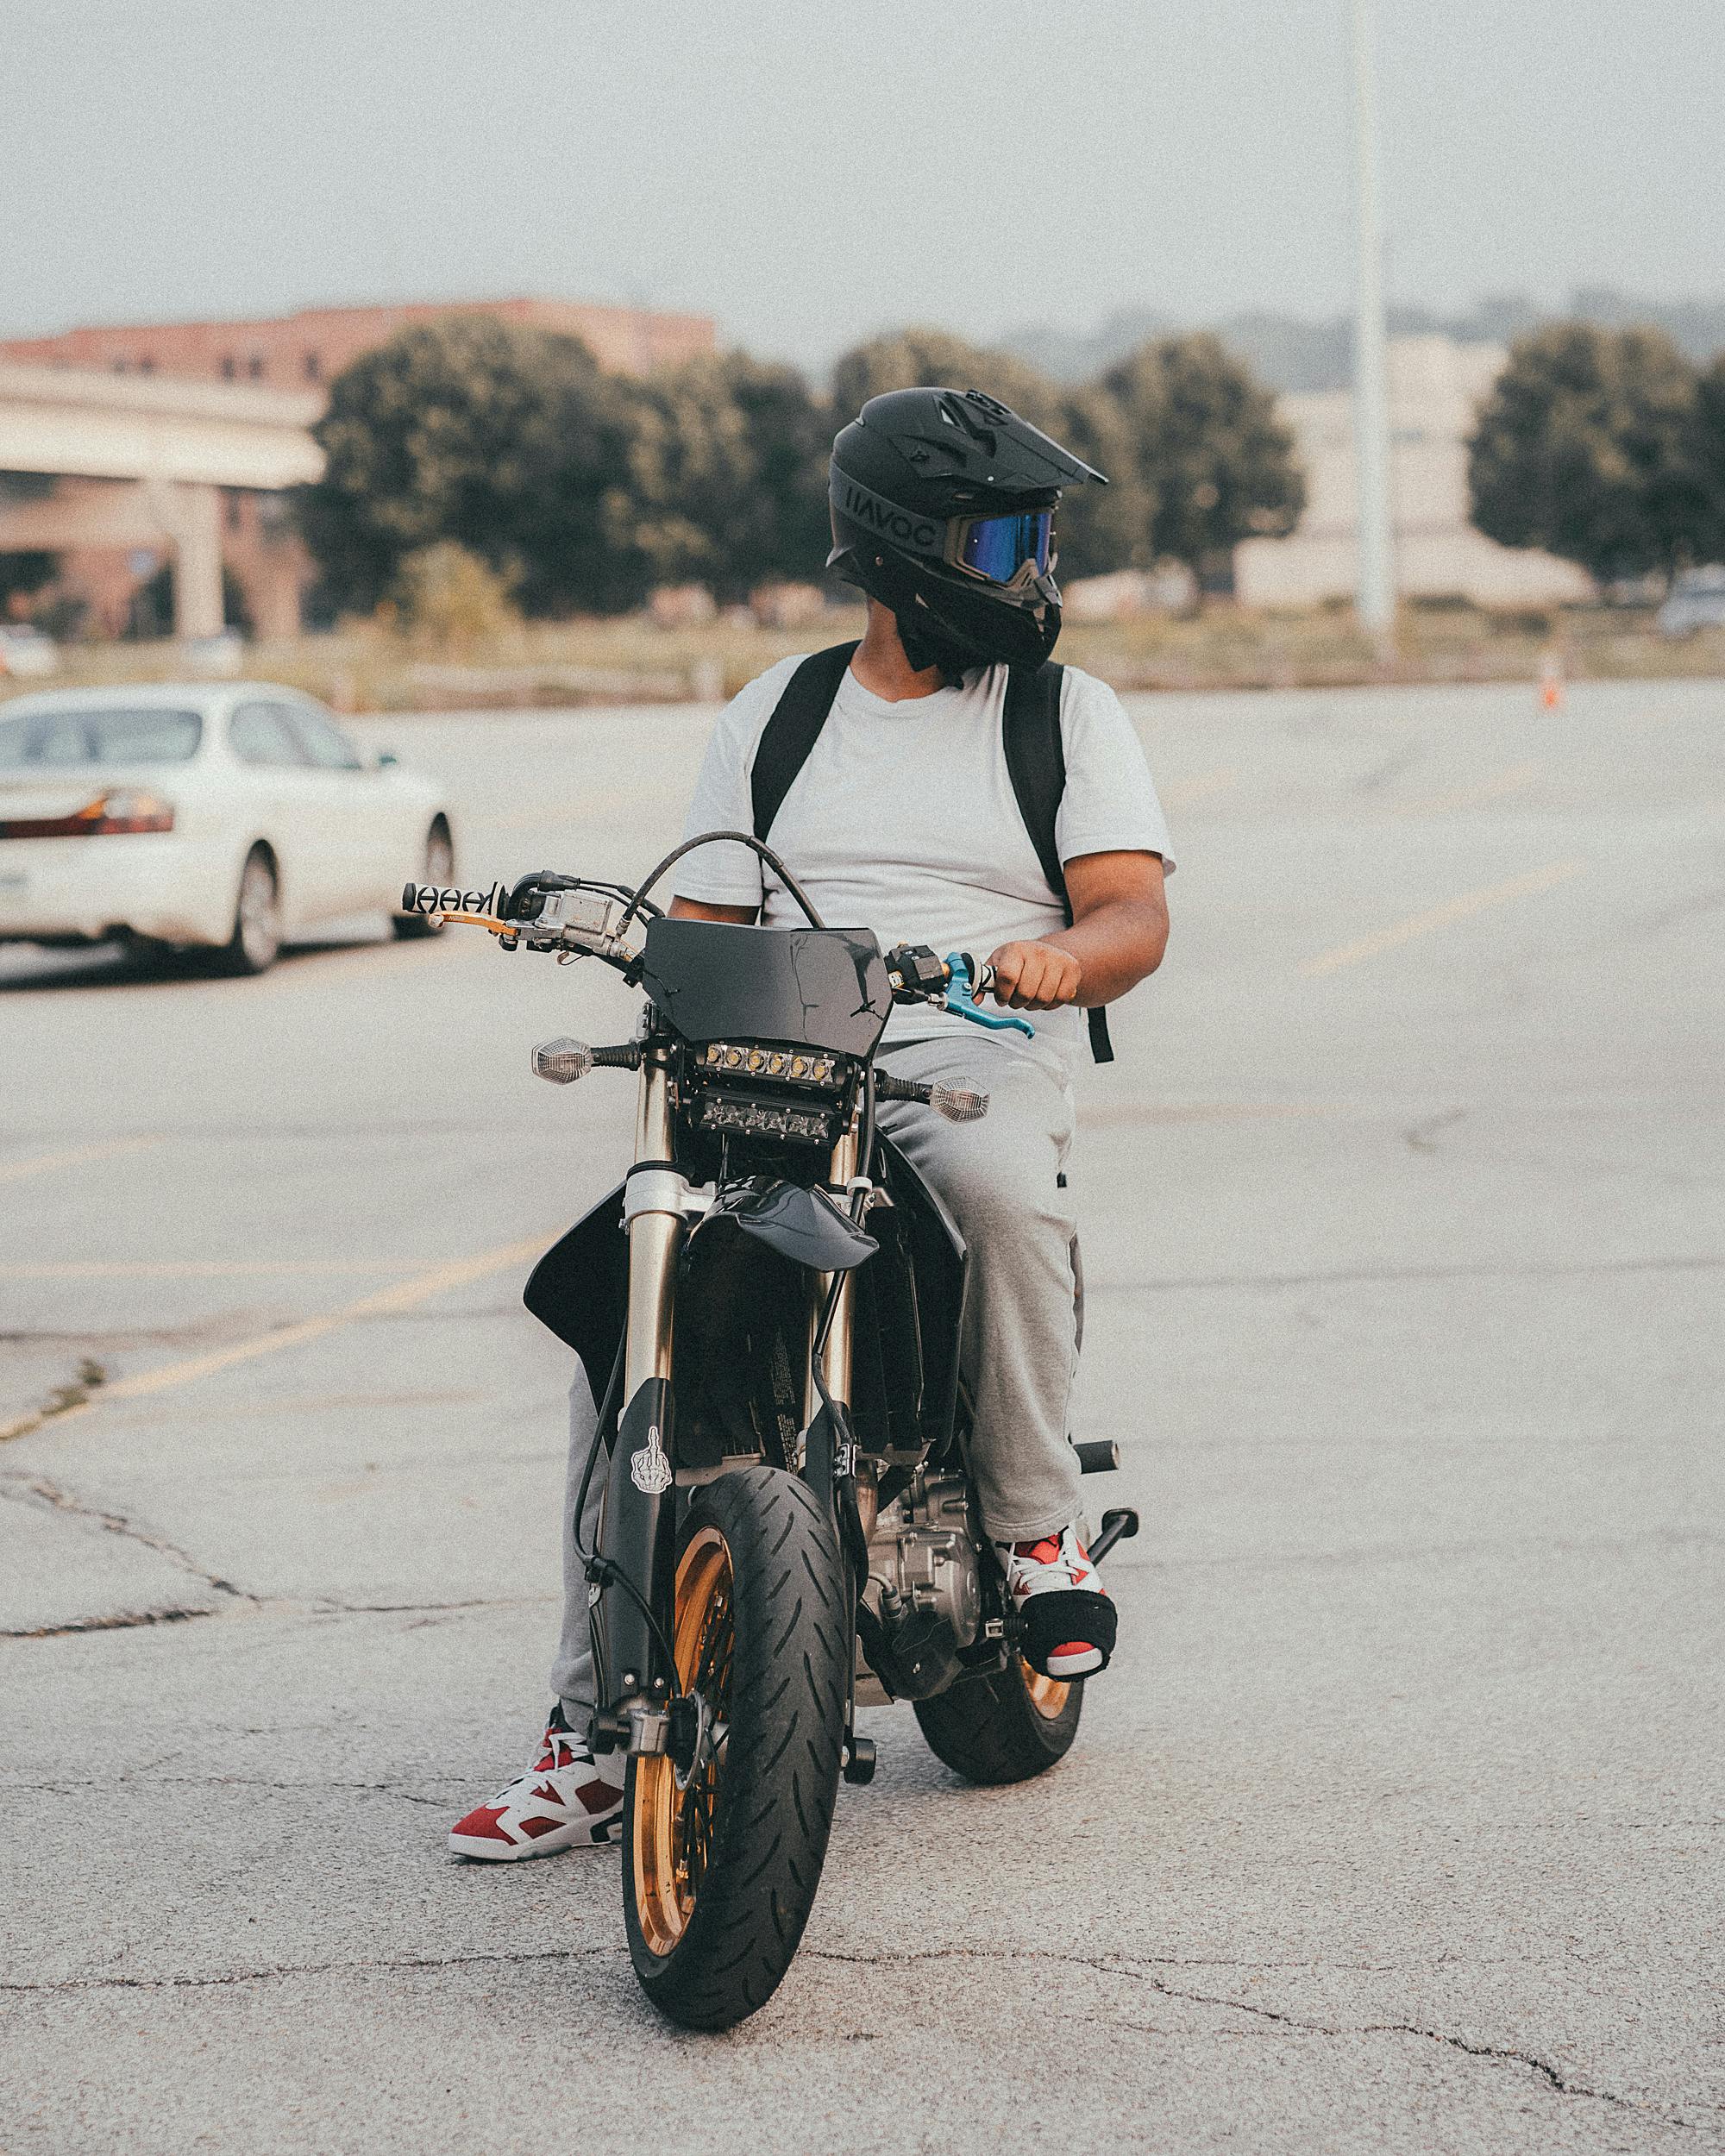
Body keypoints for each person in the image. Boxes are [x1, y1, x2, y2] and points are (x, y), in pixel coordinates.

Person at [450, 386, 1172, 1859]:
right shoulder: (777, 716)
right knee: (621, 1319)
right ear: (909, 550)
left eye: (1036, 538)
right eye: (1005, 539)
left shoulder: (1061, 715)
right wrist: (616, 937)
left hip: (963, 1049)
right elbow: (708, 926)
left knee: (1000, 1191)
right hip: (781, 1059)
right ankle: (588, 1733)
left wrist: (1058, 960)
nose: (1036, 567)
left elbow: (1130, 913)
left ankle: (1037, 1532)